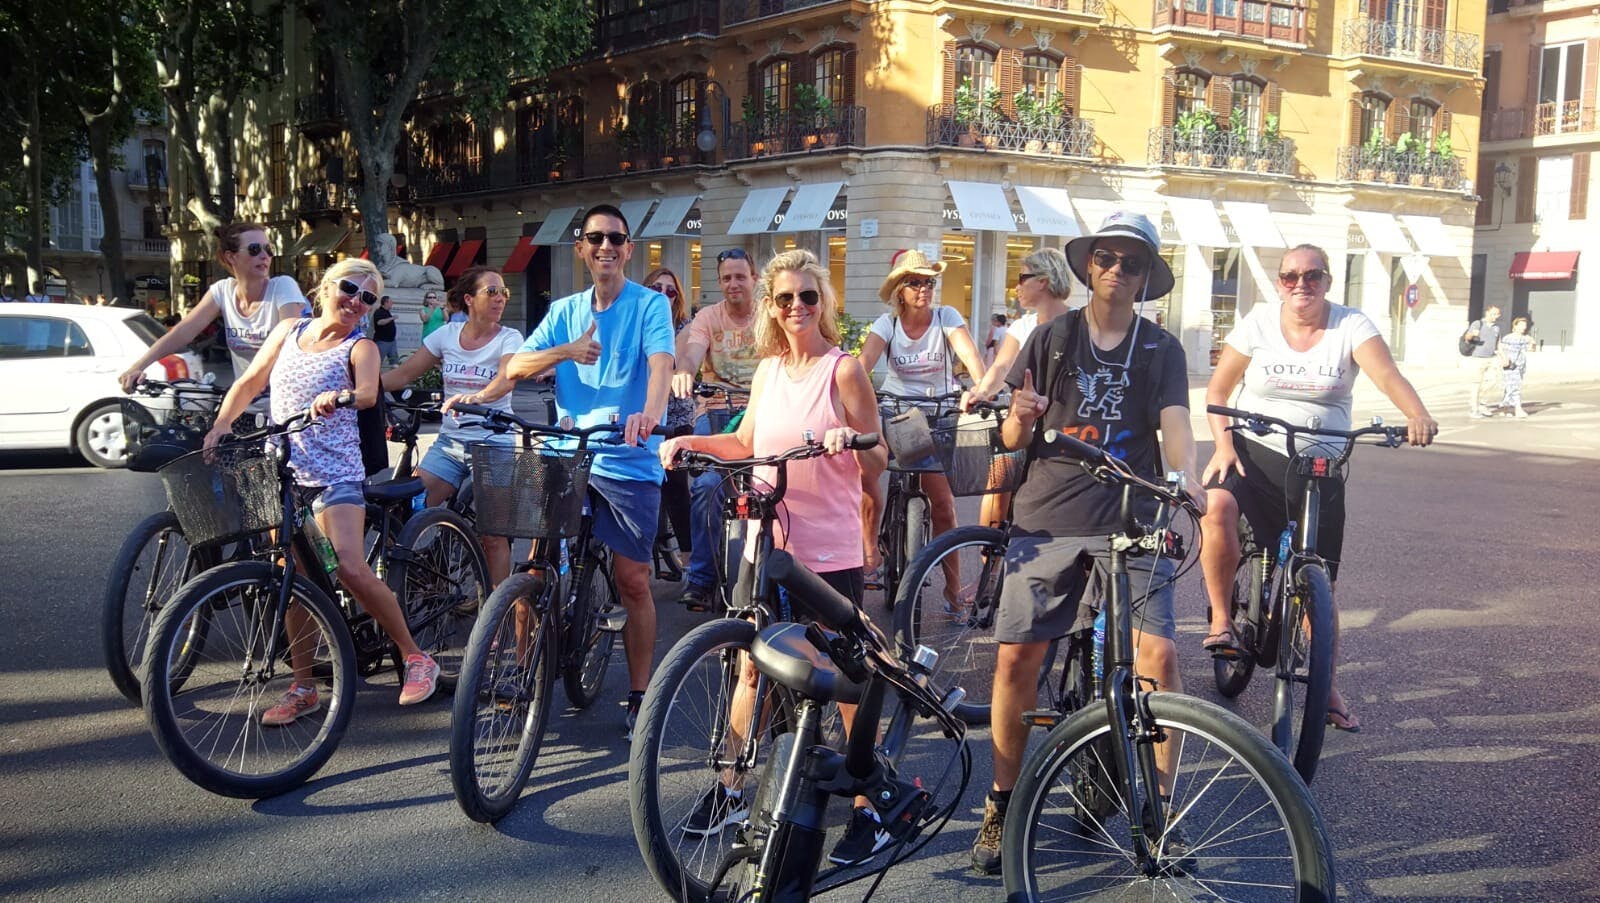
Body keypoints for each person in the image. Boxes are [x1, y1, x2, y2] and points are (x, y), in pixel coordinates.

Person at [971, 211, 1201, 875]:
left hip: (1131, 512)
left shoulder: (1161, 349)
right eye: (1107, 257)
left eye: (1132, 262)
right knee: (1016, 658)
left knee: (1159, 654)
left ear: (1146, 275)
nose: (1117, 270)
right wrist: (1019, 416)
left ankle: (1159, 811)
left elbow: (1175, 425)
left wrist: (1187, 476)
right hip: (1049, 515)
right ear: (1089, 265)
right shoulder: (1051, 338)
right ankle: (1003, 801)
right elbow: (1012, 439)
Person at [658, 249, 889, 863]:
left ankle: (869, 802)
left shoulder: (843, 370)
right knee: (751, 665)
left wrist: (850, 439)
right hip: (766, 540)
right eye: (785, 298)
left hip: (827, 546)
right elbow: (744, 441)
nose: (796, 308)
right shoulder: (768, 370)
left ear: (823, 302)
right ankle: (731, 788)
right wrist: (690, 440)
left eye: (807, 297)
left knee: (846, 673)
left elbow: (879, 458)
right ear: (772, 306)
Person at [1198, 243, 1437, 735]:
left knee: (1319, 584)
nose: (1301, 285)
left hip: (1321, 465)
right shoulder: (1258, 323)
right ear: (1279, 282)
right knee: (1216, 505)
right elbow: (1218, 391)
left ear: (1328, 281)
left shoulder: (1351, 325)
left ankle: (1326, 686)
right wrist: (1223, 445)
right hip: (1254, 452)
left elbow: (1387, 375)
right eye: (1290, 276)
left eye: (1312, 276)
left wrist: (1416, 413)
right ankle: (1222, 620)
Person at [200, 258, 441, 721]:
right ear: (326, 287)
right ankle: (303, 687)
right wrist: (222, 424)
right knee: (295, 582)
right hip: (284, 474)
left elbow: (368, 393)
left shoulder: (360, 346)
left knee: (349, 567)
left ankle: (415, 656)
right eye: (350, 288)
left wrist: (340, 396)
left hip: (336, 475)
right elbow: (250, 381)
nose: (356, 301)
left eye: (368, 297)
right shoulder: (288, 331)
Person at [502, 204, 674, 739]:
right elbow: (516, 367)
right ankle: (524, 676)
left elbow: (661, 365)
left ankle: (640, 694)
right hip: (567, 452)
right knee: (532, 571)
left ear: (628, 249)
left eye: (616, 239)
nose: (606, 247)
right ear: (580, 248)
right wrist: (567, 350)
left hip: (627, 453)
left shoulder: (650, 305)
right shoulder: (564, 311)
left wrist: (649, 414)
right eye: (595, 238)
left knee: (633, 580)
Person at [381, 266, 523, 589]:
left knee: (494, 536)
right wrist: (360, 389)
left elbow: (506, 380)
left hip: (493, 443)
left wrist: (478, 397)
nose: (500, 298)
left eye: (504, 292)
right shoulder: (446, 335)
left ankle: (496, 611)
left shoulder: (509, 338)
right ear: (469, 299)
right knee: (408, 513)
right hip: (450, 444)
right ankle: (413, 582)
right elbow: (404, 374)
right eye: (492, 291)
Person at [858, 248, 987, 575]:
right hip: (897, 414)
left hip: (939, 413)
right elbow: (862, 366)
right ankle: (869, 548)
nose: (924, 289)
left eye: (929, 282)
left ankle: (953, 587)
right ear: (899, 290)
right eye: (915, 283)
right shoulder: (888, 323)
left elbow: (971, 358)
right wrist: (850, 396)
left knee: (943, 504)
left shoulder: (947, 317)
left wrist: (981, 388)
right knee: (865, 474)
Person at [671, 246, 763, 610]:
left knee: (778, 483)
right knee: (707, 485)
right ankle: (701, 578)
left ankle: (785, 572)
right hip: (715, 407)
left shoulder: (769, 315)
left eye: (740, 276)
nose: (733, 284)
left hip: (762, 409)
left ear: (754, 279)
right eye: (726, 278)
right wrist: (684, 372)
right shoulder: (708, 317)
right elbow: (693, 352)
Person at [119, 223, 306, 393]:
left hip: (287, 401)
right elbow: (182, 332)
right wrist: (138, 367)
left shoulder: (283, 286)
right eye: (254, 249)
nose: (264, 256)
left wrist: (250, 381)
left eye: (268, 249)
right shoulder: (222, 291)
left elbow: (288, 340)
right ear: (231, 257)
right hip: (245, 402)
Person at [964, 248, 1075, 529]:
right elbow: (1001, 366)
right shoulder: (1022, 326)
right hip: (1021, 422)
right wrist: (982, 392)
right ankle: (989, 551)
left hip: (1064, 425)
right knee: (998, 483)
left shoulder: (1079, 324)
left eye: (1022, 278)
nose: (1016, 286)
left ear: (1043, 280)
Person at [647, 266, 697, 569]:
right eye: (656, 289)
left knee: (675, 483)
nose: (664, 295)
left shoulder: (684, 326)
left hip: (675, 415)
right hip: (642, 411)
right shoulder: (636, 320)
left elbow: (670, 365)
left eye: (670, 291)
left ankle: (690, 554)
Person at [1466, 305, 1503, 417]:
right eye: (1494, 314)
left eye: (1498, 314)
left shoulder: (1497, 327)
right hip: (1478, 358)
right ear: (1487, 313)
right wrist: (1472, 334)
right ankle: (1474, 408)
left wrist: (1503, 356)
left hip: (1492, 358)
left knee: (1493, 380)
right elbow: (1467, 338)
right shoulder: (1478, 323)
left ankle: (1482, 403)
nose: (1496, 316)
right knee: (1476, 383)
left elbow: (1498, 343)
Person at [1497, 316, 1534, 418]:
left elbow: (1530, 349)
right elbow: (1500, 348)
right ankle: (1518, 409)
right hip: (1510, 364)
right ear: (1515, 326)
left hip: (1520, 365)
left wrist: (1532, 343)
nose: (1523, 327)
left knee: (1510, 386)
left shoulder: (1525, 338)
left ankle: (1504, 408)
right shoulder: (1508, 338)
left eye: (1525, 325)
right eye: (1521, 325)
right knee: (1515, 387)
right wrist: (1504, 359)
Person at [371, 294, 399, 365]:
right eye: (390, 302)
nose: (392, 304)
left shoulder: (387, 312)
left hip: (392, 342)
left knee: (395, 363)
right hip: (382, 342)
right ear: (386, 303)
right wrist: (392, 318)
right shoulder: (379, 312)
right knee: (377, 363)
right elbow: (379, 322)